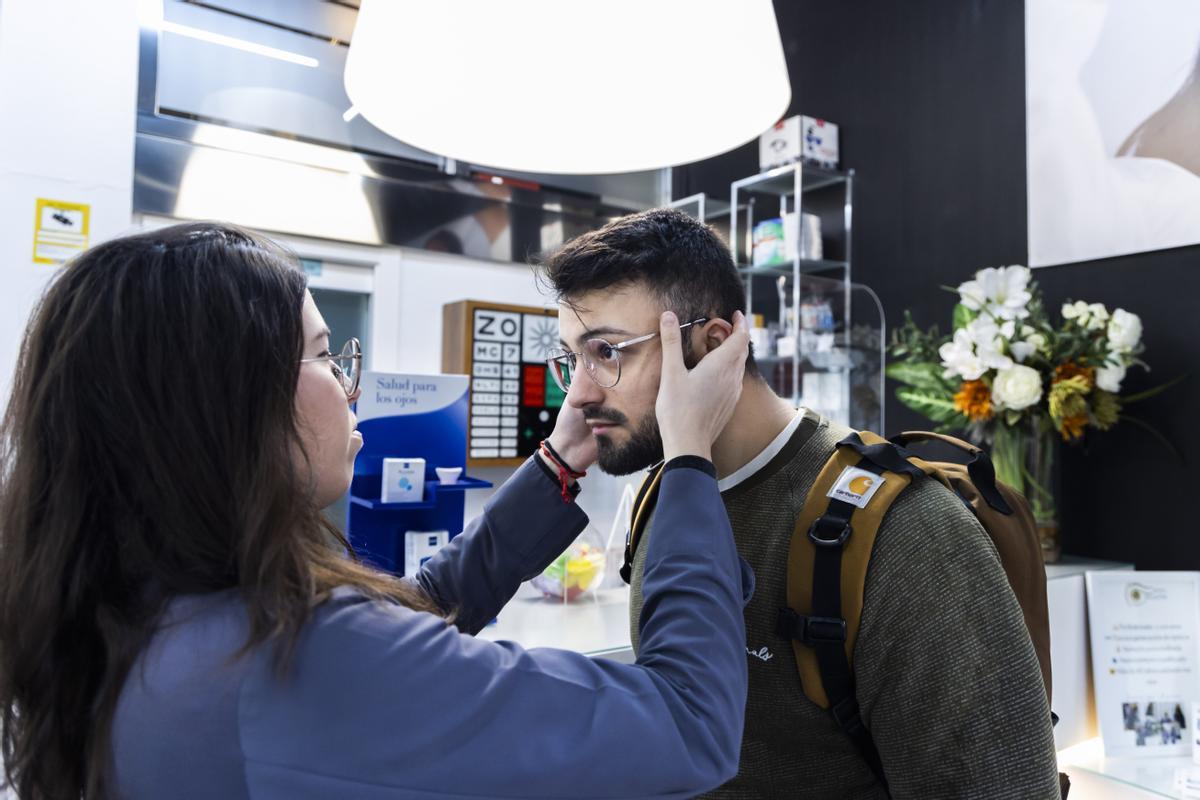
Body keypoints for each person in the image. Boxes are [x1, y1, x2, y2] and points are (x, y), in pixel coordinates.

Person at [0, 222, 755, 799]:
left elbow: (412, 617)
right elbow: (689, 723)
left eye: (608, 353)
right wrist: (687, 456)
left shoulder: (149, 607)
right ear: (230, 404)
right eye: (326, 356)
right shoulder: (299, 659)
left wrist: (554, 466)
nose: (348, 383)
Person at [539, 208, 1062, 799]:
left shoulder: (906, 533)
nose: (577, 393)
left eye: (607, 352)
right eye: (571, 358)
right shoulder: (660, 497)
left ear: (714, 347)